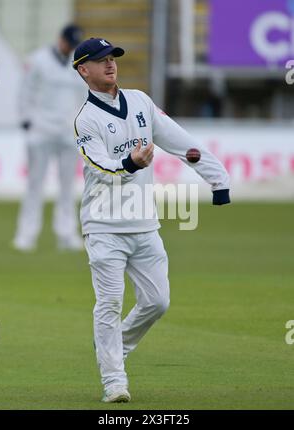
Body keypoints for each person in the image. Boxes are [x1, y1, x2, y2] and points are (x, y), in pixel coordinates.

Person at [73, 37, 231, 403]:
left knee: (157, 302)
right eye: (100, 60)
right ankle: (114, 380)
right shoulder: (86, 119)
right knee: (110, 303)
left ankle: (114, 348)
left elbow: (182, 142)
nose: (110, 64)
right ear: (84, 70)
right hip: (104, 226)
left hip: (144, 224)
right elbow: (99, 165)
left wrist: (217, 179)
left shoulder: (141, 102)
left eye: (112, 57)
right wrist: (130, 164)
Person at [13, 24, 85, 251]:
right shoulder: (38, 60)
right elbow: (25, 90)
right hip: (41, 129)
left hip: (67, 131)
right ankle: (26, 235)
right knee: (35, 184)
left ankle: (66, 234)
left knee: (67, 186)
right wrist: (27, 119)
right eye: (68, 43)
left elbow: (83, 96)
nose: (69, 48)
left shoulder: (79, 65)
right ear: (60, 39)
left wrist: (81, 124)